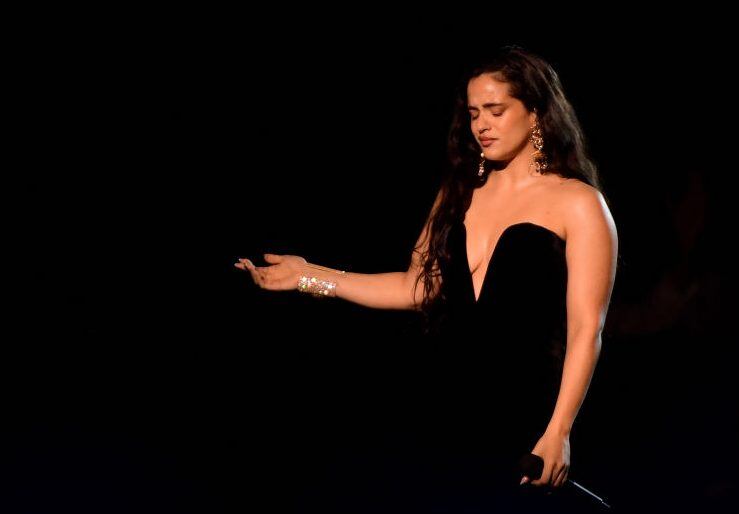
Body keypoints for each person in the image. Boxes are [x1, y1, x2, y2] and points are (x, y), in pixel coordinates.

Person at [235, 46, 618, 512]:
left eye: (496, 111)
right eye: (475, 112)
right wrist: (309, 277)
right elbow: (418, 287)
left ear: (535, 113)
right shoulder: (458, 192)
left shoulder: (578, 202)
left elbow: (586, 330)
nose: (482, 124)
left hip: (526, 422)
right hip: (440, 415)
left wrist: (558, 431)